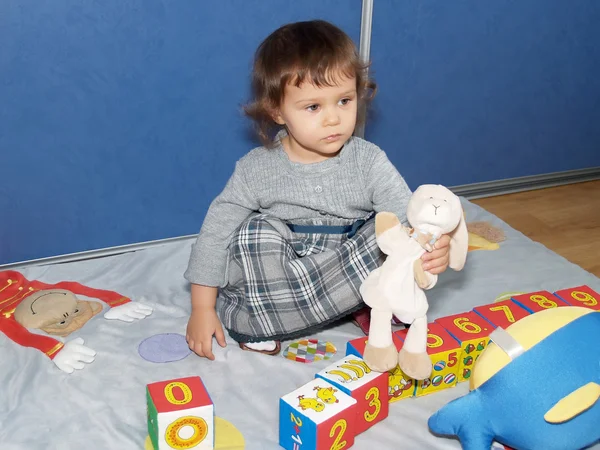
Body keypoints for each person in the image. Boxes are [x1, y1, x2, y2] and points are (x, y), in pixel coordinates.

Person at [184, 20, 450, 360]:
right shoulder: (256, 168)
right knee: (252, 234)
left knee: (390, 231)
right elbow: (215, 233)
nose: (333, 119)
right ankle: (271, 320)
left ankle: (363, 303)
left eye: (344, 100)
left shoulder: (367, 160)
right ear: (277, 111)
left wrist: (430, 247)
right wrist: (202, 307)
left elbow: (407, 215)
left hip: (349, 263)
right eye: (313, 107)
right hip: (284, 274)